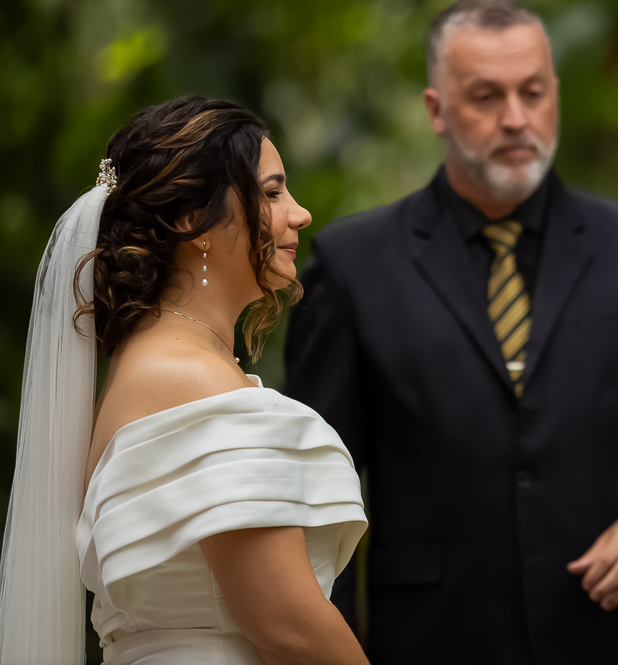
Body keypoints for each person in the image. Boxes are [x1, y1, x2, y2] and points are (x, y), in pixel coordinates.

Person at [284, 0, 618, 664]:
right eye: (485, 97)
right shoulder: (352, 264)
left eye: (533, 92)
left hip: (613, 640)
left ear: (554, 92)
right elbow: (315, 494)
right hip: (432, 642)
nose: (516, 119)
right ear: (437, 110)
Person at [0, 97, 369, 664]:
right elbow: (290, 626)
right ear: (192, 220)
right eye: (272, 193)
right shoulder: (190, 381)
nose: (300, 214)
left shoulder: (149, 365)